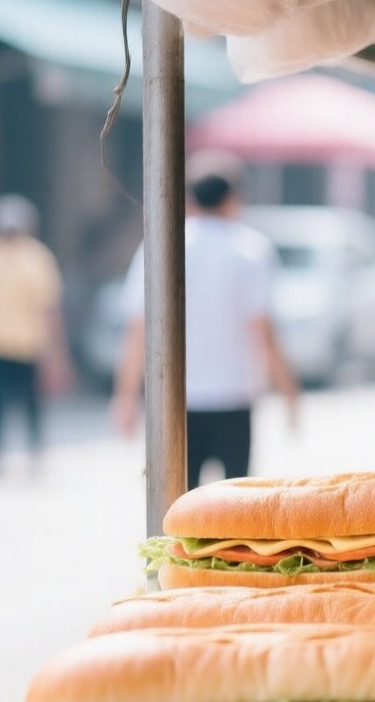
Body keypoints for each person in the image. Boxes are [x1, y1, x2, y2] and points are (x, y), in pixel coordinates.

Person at [111, 154, 298, 489]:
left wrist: (125, 396)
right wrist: (289, 391)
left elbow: (138, 329)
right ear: (234, 198)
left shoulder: (162, 245)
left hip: (175, 397)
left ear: (189, 197)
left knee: (181, 503)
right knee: (236, 504)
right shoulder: (251, 249)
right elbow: (264, 331)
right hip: (234, 394)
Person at [0, 196, 68, 474]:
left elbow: (48, 307)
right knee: (1, 400)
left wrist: (56, 350)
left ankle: (26, 448)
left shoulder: (24, 256)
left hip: (20, 343)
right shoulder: (1, 256)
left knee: (23, 400)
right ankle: (4, 448)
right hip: (2, 342)